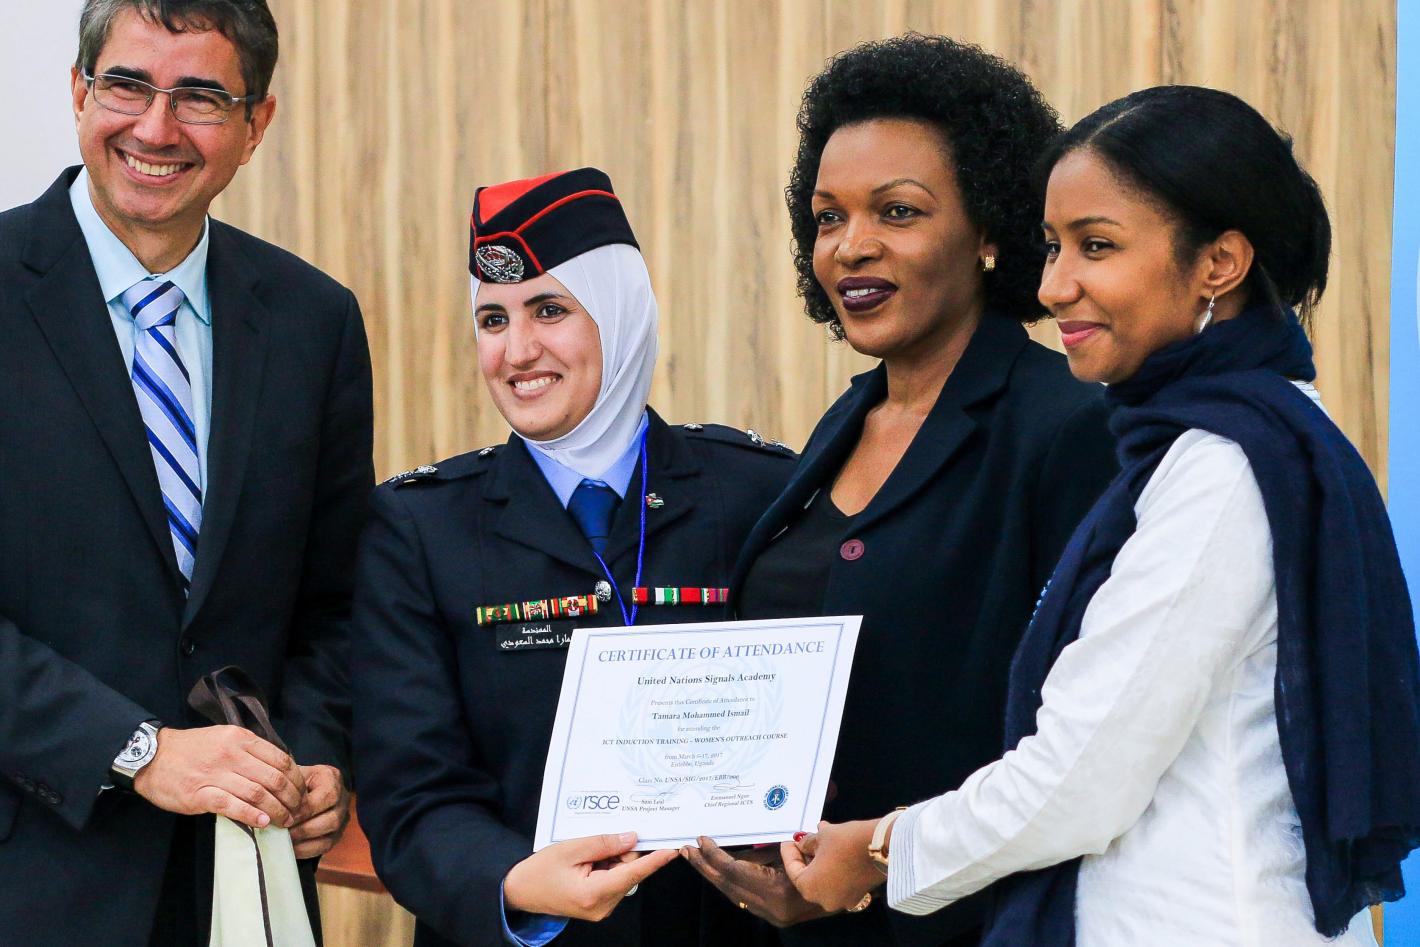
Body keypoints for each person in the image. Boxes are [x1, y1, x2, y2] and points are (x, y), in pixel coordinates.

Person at [780, 85, 1420, 947]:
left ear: (1219, 264)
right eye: (1052, 246)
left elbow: (1080, 776)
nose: (1054, 285)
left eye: (1097, 246)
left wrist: (881, 847)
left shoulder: (1226, 465)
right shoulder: (1223, 438)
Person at [683, 34, 1117, 947]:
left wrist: (877, 864)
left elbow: (1083, 745)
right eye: (828, 217)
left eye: (898, 211)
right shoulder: (842, 423)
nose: (852, 246)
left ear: (990, 231)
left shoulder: (1067, 426)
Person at [0, 1, 373, 944]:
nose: (156, 128)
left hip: (244, 883)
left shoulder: (315, 321)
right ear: (79, 92)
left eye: (201, 97)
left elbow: (337, 602)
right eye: (127, 85)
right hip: (31, 880)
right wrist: (136, 750)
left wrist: (317, 754)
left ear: (257, 124)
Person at [351, 167, 797, 947]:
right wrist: (516, 882)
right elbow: (412, 795)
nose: (517, 351)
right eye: (493, 319)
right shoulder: (419, 527)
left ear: (618, 315)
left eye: (550, 310)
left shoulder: (758, 492)